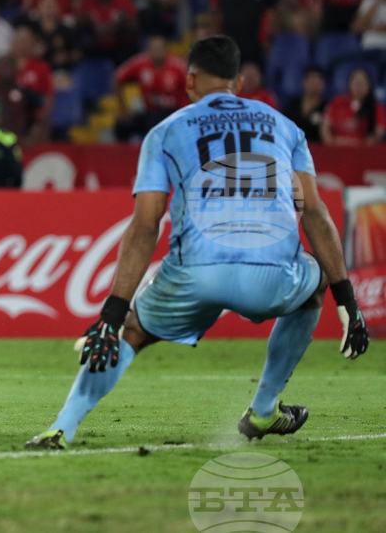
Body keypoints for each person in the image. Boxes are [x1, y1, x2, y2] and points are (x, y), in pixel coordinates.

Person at [26, 35, 369, 450]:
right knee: (313, 285)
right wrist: (346, 299)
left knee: (133, 331)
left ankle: (60, 428)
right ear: (239, 82)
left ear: (189, 81)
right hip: (273, 273)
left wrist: (112, 314)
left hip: (196, 271)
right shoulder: (285, 127)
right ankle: (264, 409)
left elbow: (145, 224)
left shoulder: (166, 131)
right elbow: (315, 213)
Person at [113, 35, 187, 141]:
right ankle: (124, 156)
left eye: (159, 49)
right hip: (150, 112)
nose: (156, 52)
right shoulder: (141, 64)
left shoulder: (178, 67)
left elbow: (192, 88)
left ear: (166, 50)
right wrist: (124, 109)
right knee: (122, 125)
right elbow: (117, 78)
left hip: (174, 113)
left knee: (155, 123)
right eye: (153, 49)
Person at [321, 67, 386, 145]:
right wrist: (332, 143)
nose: (359, 86)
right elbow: (325, 128)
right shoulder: (336, 102)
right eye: (356, 83)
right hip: (336, 148)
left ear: (369, 86)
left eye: (362, 83)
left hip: (363, 151)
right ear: (349, 84)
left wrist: (359, 145)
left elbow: (378, 133)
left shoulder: (377, 107)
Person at [281, 66, 326, 142]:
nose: (314, 85)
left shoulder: (327, 106)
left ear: (323, 83)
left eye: (317, 81)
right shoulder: (292, 104)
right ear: (304, 82)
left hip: (318, 149)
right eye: (311, 81)